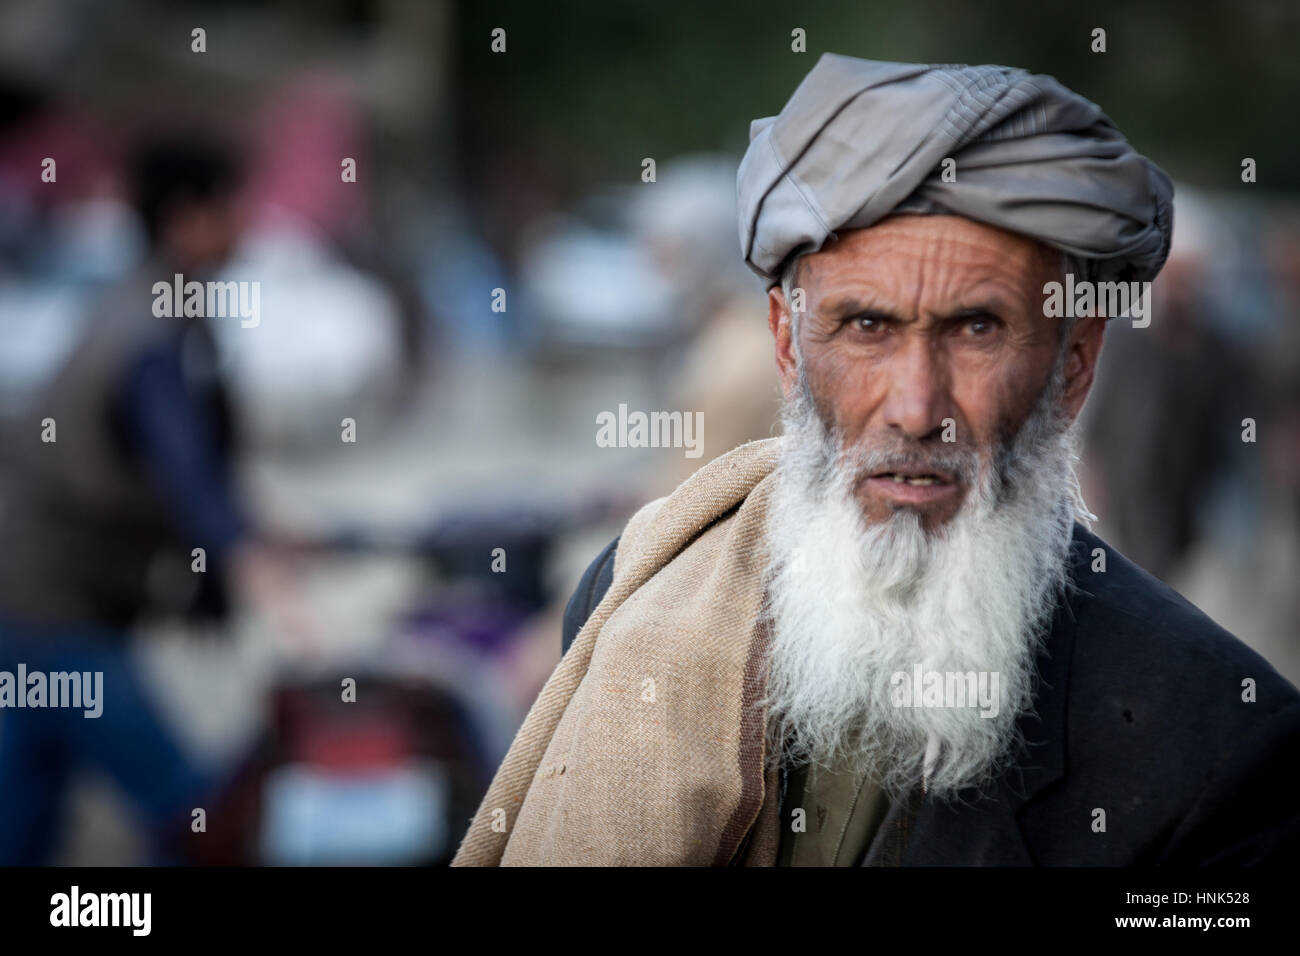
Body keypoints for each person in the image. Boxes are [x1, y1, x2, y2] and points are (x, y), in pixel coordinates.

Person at [452, 55, 1300, 866]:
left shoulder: (1216, 742)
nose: (915, 407)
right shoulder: (635, 598)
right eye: (867, 327)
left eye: (977, 329)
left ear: (1072, 362)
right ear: (787, 345)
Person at [0, 132, 298, 864]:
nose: (246, 226)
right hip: (57, 617)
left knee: (25, 818)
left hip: (31, 606)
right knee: (191, 816)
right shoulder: (149, 332)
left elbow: (192, 475)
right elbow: (188, 478)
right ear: (185, 218)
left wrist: (272, 532)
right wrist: (271, 589)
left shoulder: (151, 308)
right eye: (232, 209)